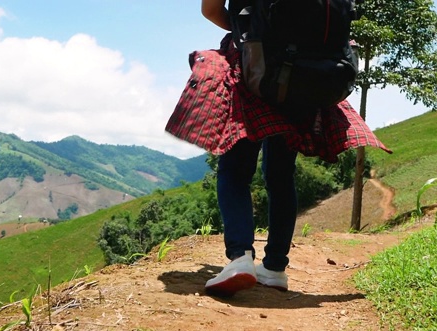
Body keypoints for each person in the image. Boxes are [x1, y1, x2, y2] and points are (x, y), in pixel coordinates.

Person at [164, 0, 391, 298]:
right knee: (281, 174)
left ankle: (241, 257)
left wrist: (257, 30)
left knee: (235, 169)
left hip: (255, 65)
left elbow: (211, 10)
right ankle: (274, 268)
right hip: (311, 75)